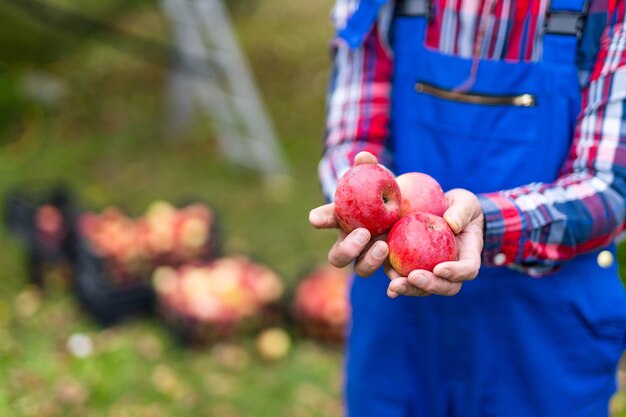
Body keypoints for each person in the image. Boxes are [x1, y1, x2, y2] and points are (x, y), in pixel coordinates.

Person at [308, 0, 626, 415]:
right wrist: (360, 211)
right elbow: (352, 140)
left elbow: (608, 188)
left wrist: (486, 222)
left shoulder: (606, 9)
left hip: (543, 336)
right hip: (396, 323)